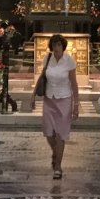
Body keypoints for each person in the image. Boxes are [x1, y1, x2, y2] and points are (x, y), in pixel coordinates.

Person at [29, 33, 79, 179]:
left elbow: (74, 84)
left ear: (63, 47)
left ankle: (58, 166)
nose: (57, 48)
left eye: (59, 45)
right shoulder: (48, 58)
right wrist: (33, 95)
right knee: (48, 132)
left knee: (61, 134)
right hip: (49, 98)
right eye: (54, 45)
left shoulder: (69, 61)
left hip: (64, 99)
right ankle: (56, 153)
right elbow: (42, 77)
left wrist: (76, 104)